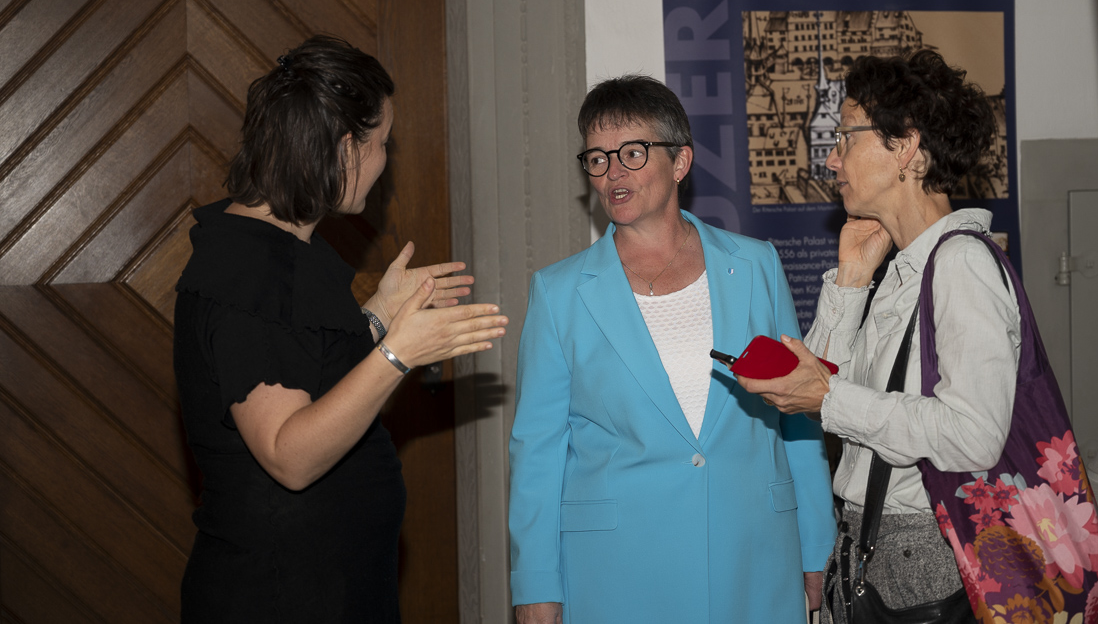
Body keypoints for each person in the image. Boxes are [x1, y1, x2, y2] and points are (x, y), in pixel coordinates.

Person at [173, 35, 508, 623]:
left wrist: (376, 318)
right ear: (346, 148)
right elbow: (289, 455)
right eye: (383, 144)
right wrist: (397, 354)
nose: (385, 162)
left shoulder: (281, 252)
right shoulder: (248, 271)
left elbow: (307, 372)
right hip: (280, 598)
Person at [507, 75, 836, 624]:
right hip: (618, 572)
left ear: (680, 161)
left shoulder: (756, 264)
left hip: (754, 559)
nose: (612, 173)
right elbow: (537, 452)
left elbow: (797, 412)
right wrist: (535, 584)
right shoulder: (558, 293)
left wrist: (817, 542)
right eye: (597, 158)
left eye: (632, 153)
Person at [737, 50, 1018, 622]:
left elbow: (973, 436)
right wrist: (851, 278)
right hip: (874, 548)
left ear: (905, 147)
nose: (832, 159)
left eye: (845, 137)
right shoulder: (907, 267)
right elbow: (816, 391)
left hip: (924, 563)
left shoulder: (960, 263)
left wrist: (831, 398)